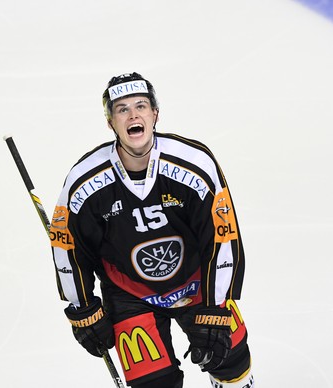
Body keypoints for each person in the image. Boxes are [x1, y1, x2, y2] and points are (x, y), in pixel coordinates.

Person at [49, 72, 254, 388]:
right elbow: (68, 247)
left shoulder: (194, 165)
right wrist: (83, 309)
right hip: (130, 293)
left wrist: (215, 310)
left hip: (197, 282)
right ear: (110, 123)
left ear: (155, 114)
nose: (133, 115)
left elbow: (222, 239)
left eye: (141, 106)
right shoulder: (84, 182)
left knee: (231, 363)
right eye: (122, 109)